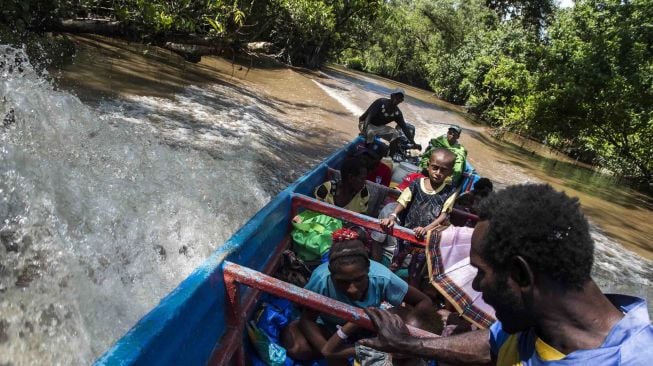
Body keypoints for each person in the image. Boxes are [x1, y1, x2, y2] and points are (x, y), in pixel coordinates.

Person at [359, 184, 653, 365]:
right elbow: (492, 344)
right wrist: (410, 345)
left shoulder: (635, 359)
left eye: (481, 272)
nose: (476, 285)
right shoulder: (534, 322)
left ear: (521, 276)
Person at [281, 228, 432, 362]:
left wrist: (405, 335)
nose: (352, 289)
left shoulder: (382, 277)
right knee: (298, 348)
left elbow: (423, 301)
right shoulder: (321, 281)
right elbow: (308, 319)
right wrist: (327, 350)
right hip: (329, 328)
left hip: (366, 329)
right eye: (342, 282)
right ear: (331, 275)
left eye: (359, 280)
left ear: (368, 269)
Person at [380, 148, 458, 285]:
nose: (438, 173)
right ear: (428, 165)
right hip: (406, 232)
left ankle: (408, 298)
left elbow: (443, 216)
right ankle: (387, 287)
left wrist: (426, 228)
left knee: (415, 271)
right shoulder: (417, 184)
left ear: (450, 172)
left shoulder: (450, 192)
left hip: (424, 239)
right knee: (395, 262)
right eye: (435, 168)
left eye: (443, 170)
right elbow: (403, 201)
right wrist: (392, 216)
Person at [322, 306, 444, 366]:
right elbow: (329, 352)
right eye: (401, 334)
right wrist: (356, 321)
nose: (401, 342)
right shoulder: (377, 350)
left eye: (412, 339)